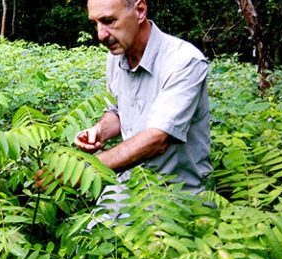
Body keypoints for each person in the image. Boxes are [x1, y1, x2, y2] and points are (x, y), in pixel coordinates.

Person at [73, 0, 212, 225]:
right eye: (96, 23)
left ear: (139, 11)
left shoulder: (184, 61)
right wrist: (99, 130)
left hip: (178, 197)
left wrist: (84, 170)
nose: (100, 34)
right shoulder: (116, 57)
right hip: (127, 186)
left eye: (108, 21)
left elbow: (158, 139)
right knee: (89, 243)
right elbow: (116, 112)